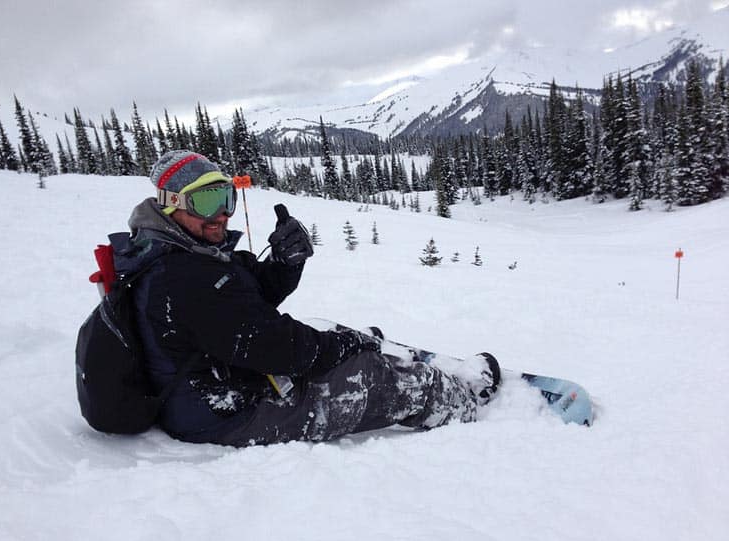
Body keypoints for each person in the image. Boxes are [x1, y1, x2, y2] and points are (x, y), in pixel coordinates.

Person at [113, 150, 499, 446]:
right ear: (172, 203)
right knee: (375, 380)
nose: (221, 216)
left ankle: (371, 351)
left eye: (225, 199)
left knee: (324, 335)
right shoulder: (182, 275)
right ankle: (461, 396)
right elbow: (279, 348)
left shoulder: (181, 251)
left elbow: (246, 300)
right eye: (206, 202)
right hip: (222, 412)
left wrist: (285, 263)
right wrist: (345, 346)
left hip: (214, 384)